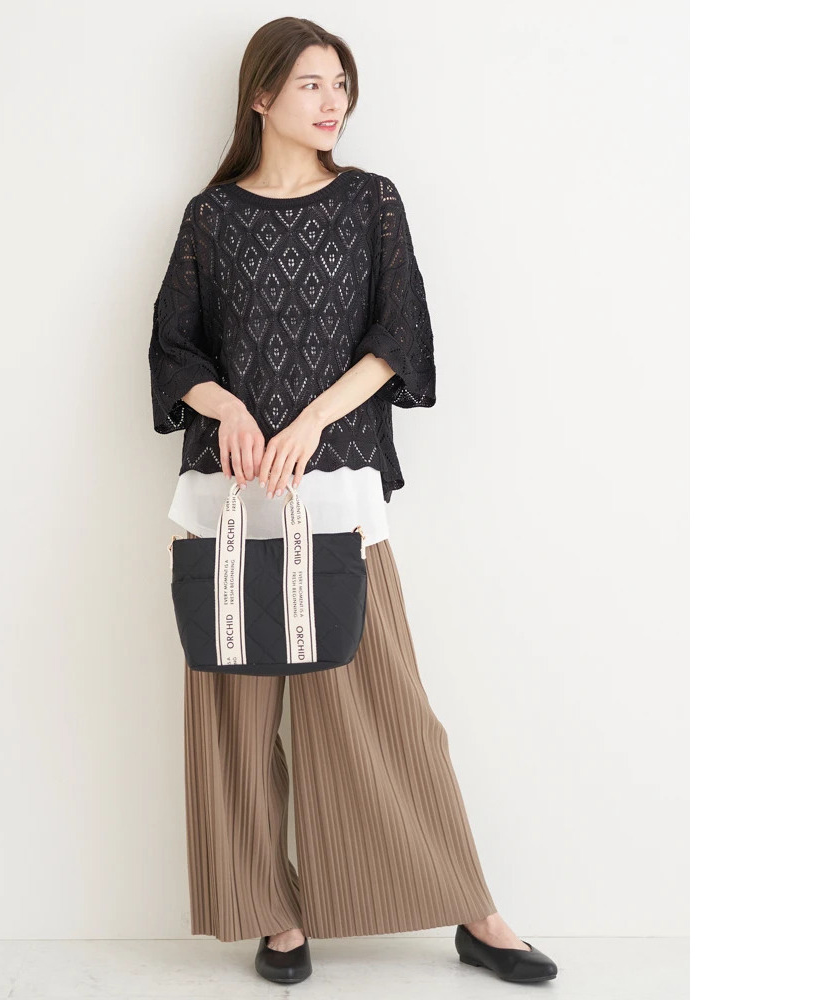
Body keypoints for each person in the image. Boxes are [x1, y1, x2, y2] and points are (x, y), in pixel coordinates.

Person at [148, 16, 558, 987]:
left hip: (335, 490)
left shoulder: (370, 202)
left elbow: (399, 334)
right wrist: (228, 406)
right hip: (230, 499)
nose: (333, 102)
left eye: (341, 85)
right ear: (261, 97)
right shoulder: (211, 216)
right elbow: (173, 345)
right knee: (235, 724)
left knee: (387, 716)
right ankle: (275, 917)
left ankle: (475, 912)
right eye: (311, 85)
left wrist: (308, 423)